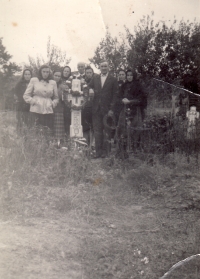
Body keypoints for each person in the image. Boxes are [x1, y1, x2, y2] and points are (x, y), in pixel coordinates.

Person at [88, 61, 118, 158]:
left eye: (105, 66)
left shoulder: (113, 79)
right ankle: (98, 152)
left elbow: (115, 95)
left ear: (108, 67)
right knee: (97, 131)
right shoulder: (95, 78)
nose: (104, 68)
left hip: (107, 110)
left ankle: (106, 153)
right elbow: (88, 86)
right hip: (96, 109)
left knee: (107, 131)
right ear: (99, 68)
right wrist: (90, 89)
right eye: (102, 66)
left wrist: (112, 109)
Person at [116, 69, 147, 152]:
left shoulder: (138, 85)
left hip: (135, 110)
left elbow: (141, 99)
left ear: (134, 76)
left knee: (135, 128)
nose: (129, 77)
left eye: (131, 75)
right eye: (128, 75)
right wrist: (122, 100)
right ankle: (124, 149)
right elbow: (118, 96)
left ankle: (134, 149)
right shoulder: (124, 85)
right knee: (123, 128)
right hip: (125, 109)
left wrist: (130, 101)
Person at [23, 65, 58, 133]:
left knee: (47, 130)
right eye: (44, 72)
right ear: (40, 72)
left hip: (48, 109)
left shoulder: (53, 82)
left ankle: (47, 143)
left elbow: (56, 98)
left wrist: (52, 103)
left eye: (47, 72)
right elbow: (26, 95)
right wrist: (33, 101)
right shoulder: (34, 80)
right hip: (36, 109)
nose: (45, 74)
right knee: (35, 130)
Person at [53, 69, 65, 147]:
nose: (57, 77)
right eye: (56, 75)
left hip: (59, 108)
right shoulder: (49, 84)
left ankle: (59, 144)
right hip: (49, 108)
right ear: (53, 76)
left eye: (59, 76)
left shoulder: (62, 86)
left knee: (58, 126)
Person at [61, 66, 72, 136]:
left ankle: (67, 135)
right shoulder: (60, 80)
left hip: (68, 102)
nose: (66, 72)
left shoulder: (72, 80)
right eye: (65, 71)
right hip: (60, 102)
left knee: (68, 119)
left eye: (68, 71)